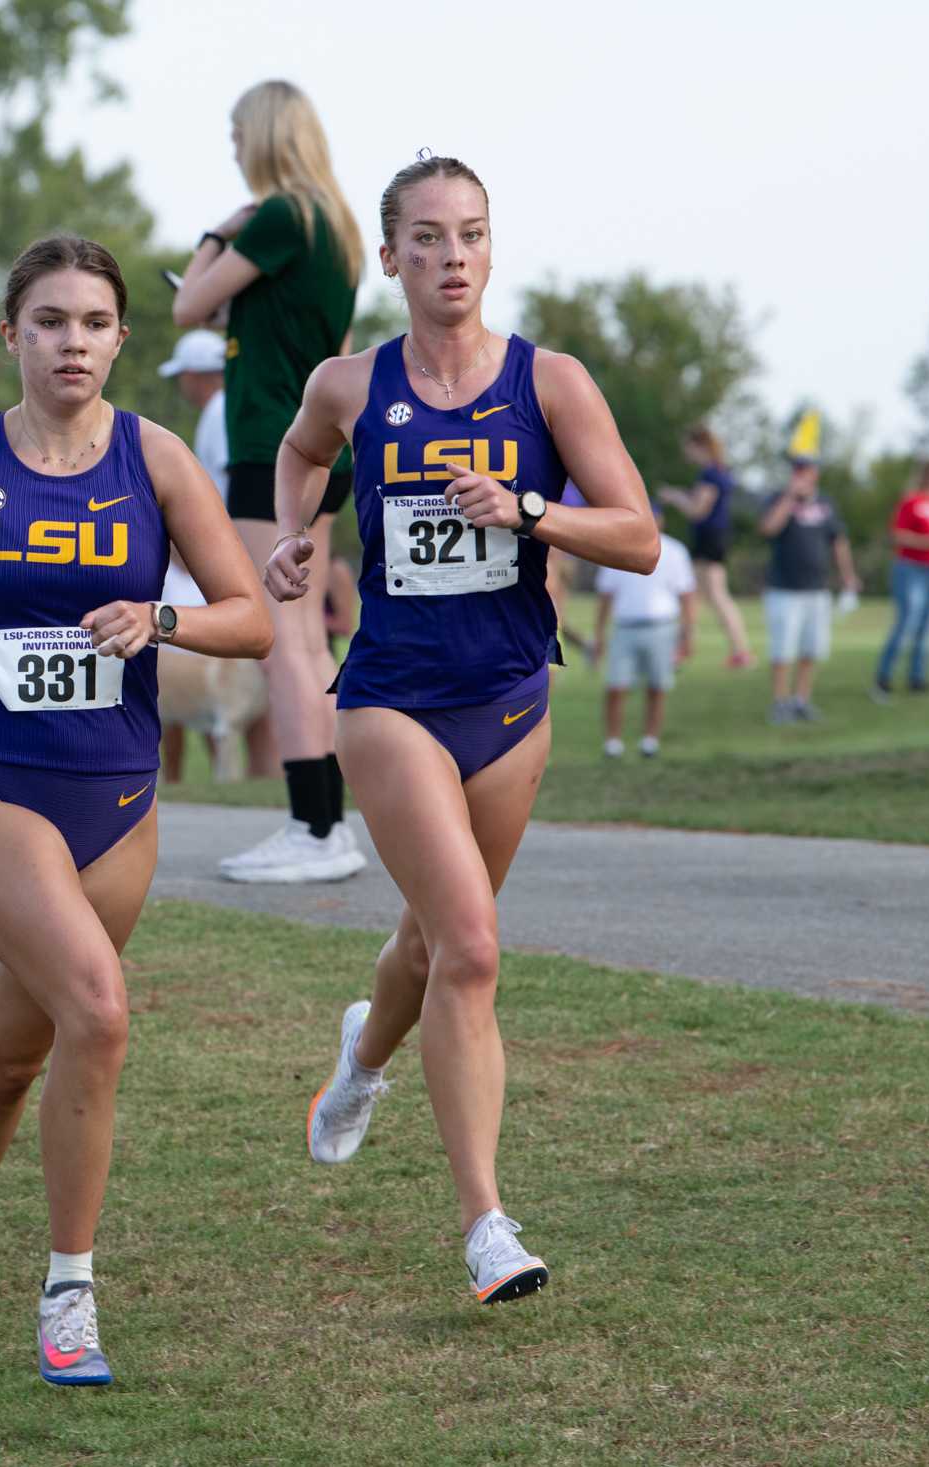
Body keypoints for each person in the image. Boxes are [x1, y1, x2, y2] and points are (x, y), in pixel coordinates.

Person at [0, 237, 269, 1385]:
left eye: (91, 322)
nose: (71, 341)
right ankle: (69, 1294)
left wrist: (159, 623)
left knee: (7, 1058)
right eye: (48, 321)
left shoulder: (159, 459)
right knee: (100, 1008)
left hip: (118, 806)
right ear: (11, 335)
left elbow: (250, 618)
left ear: (121, 337)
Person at [274, 156, 658, 1306]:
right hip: (388, 694)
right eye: (429, 239)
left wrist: (529, 508)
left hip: (508, 700)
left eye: (473, 235)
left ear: (493, 251)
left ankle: (361, 1060)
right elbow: (299, 456)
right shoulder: (350, 385)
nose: (453, 258)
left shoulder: (551, 384)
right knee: (475, 948)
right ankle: (486, 1222)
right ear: (389, 257)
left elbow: (637, 537)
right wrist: (297, 538)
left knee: (437, 943)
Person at [174, 78, 366, 884]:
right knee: (310, 636)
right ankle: (329, 820)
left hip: (271, 446)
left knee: (280, 634)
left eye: (235, 131)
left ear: (265, 136)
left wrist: (219, 229)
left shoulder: (279, 216)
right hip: (323, 444)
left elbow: (187, 305)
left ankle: (313, 826)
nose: (231, 144)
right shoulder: (337, 229)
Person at [154, 327, 269, 783]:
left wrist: (197, 549)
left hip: (218, 560)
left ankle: (253, 781)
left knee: (223, 685)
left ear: (197, 375)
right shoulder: (227, 409)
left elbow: (226, 492)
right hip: (217, 556)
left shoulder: (219, 411)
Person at [756, 458, 859, 723]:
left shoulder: (826, 503)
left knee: (811, 649)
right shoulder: (779, 499)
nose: (802, 475)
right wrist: (790, 497)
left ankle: (801, 700)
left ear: (816, 474)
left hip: (817, 589)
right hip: (784, 589)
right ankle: (780, 703)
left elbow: (839, 542)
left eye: (806, 471)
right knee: (782, 650)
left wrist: (847, 575)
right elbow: (768, 528)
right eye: (797, 471)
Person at [592, 529, 697, 756]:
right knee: (616, 685)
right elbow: (606, 595)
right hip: (625, 625)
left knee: (657, 686)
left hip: (661, 625)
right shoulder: (615, 545)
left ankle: (650, 741)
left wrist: (688, 633)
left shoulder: (674, 550)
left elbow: (686, 594)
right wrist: (599, 634)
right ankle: (613, 742)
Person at [656, 424, 753, 667]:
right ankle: (686, 646)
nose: (686, 453)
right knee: (696, 595)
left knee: (715, 595)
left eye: (688, 448)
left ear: (699, 446)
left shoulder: (710, 474)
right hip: (714, 538)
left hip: (710, 539)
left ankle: (740, 651)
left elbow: (698, 511)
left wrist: (675, 497)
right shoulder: (719, 471)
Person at [872, 455, 929, 700]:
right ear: (926, 474)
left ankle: (917, 679)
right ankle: (883, 679)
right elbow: (897, 535)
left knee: (927, 625)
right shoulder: (911, 501)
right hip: (911, 568)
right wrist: (925, 542)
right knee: (907, 622)